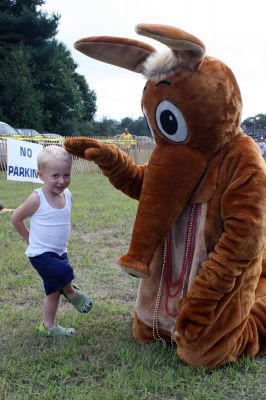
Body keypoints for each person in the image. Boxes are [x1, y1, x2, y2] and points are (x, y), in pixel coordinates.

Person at [11, 145, 92, 337]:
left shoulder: (68, 195)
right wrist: (28, 238)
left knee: (53, 291)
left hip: (59, 251)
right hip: (40, 253)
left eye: (66, 175)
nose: (62, 181)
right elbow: (15, 218)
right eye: (55, 176)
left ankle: (48, 326)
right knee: (64, 272)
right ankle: (72, 293)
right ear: (41, 175)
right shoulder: (37, 198)